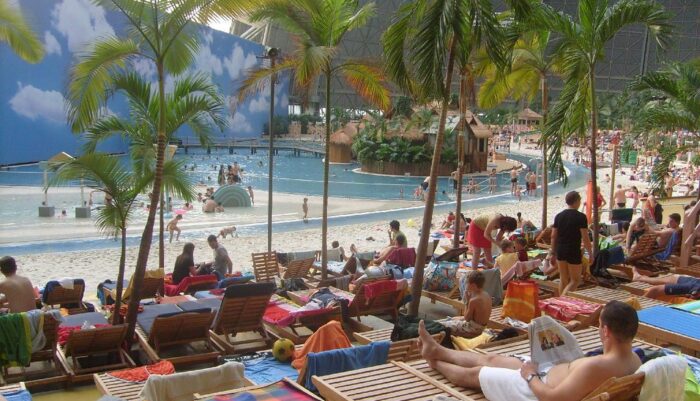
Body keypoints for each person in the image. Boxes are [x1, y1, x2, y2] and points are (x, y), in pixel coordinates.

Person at [416, 300, 642, 401]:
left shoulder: (597, 366)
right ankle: (437, 350)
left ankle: (434, 361)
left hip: (535, 391)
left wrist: (531, 375)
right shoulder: (633, 361)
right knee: (492, 358)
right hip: (546, 373)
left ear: (606, 331)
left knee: (477, 374)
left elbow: (552, 399)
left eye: (599, 325)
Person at [551, 191, 592, 296]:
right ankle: (562, 302)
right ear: (577, 201)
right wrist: (590, 253)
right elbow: (585, 237)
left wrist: (553, 253)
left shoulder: (559, 216)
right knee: (575, 280)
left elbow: (553, 236)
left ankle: (559, 302)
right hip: (573, 249)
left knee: (563, 279)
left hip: (560, 249)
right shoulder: (581, 217)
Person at [441, 271, 491, 338]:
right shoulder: (486, 295)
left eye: (467, 283)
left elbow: (466, 318)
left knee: (442, 325)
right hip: (482, 327)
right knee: (452, 319)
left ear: (473, 285)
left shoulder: (474, 300)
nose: (466, 284)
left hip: (473, 329)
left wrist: (467, 301)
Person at [632, 267, 699, 299]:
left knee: (667, 281)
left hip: (691, 284)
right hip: (691, 283)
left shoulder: (694, 288)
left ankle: (641, 277)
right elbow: (655, 290)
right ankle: (640, 278)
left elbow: (655, 290)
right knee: (671, 279)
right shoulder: (694, 288)